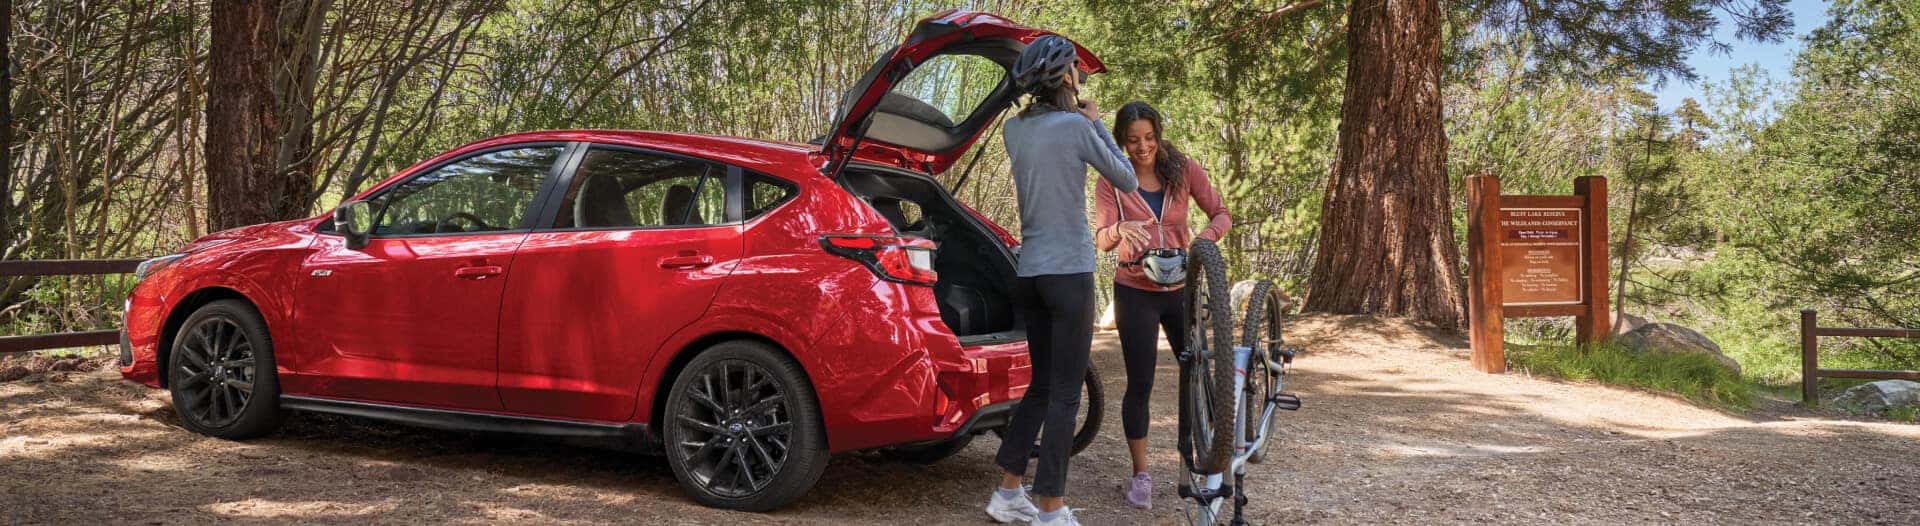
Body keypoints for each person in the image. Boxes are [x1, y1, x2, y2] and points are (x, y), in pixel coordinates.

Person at [983, 36, 1142, 526]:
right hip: (1069, 273)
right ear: (1066, 77)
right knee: (1066, 391)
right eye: (1076, 69)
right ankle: (1050, 507)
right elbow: (1127, 177)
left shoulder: (1014, 131)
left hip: (1030, 272)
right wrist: (1097, 123)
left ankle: (1008, 493)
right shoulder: (1076, 126)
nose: (1080, 75)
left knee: (1042, 386)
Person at [1093, 101, 1233, 510]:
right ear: (1122, 141)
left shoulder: (1183, 168)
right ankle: (1141, 476)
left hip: (1180, 290)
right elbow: (1100, 239)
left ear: (1159, 134)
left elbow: (1221, 214)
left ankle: (1202, 459)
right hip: (1134, 290)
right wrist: (1119, 229)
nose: (1143, 147)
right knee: (1140, 384)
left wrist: (1202, 241)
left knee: (1197, 371)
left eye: (1149, 138)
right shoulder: (1112, 179)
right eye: (1134, 140)